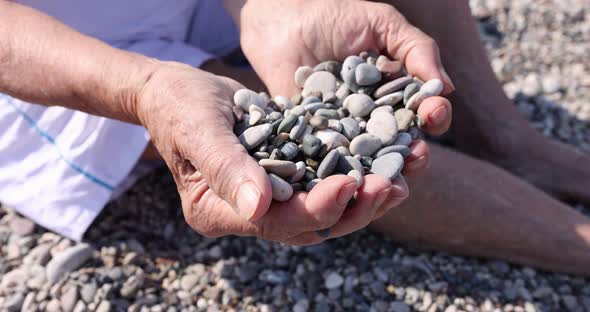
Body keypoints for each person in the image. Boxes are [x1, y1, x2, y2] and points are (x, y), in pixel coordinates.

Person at [0, 0, 588, 276]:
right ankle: (578, 243)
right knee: (244, 117)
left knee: (316, 95)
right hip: (46, 48)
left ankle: (511, 141)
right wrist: (141, 85)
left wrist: (262, 6)